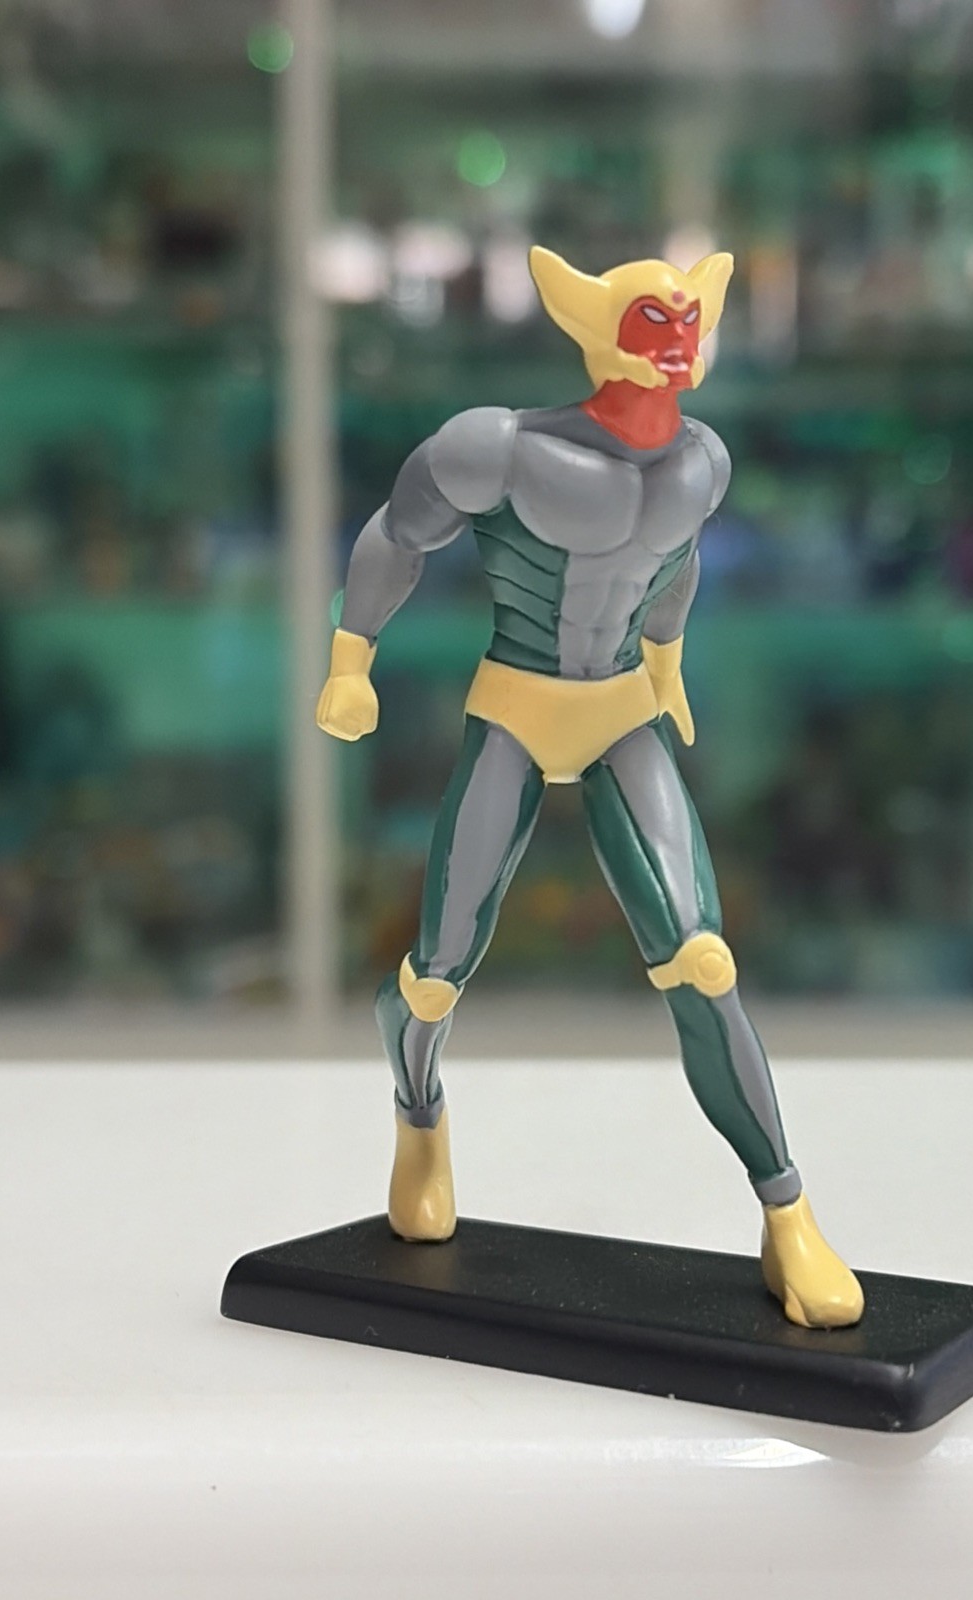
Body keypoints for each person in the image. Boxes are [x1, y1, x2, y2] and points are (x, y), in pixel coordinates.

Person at [316, 246, 863, 1328]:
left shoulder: (701, 462)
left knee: (702, 961)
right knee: (436, 975)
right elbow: (395, 533)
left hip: (621, 709)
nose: (676, 338)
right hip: (517, 704)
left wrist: (666, 658)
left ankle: (788, 1213)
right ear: (596, 325)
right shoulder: (501, 448)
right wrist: (349, 660)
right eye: (654, 317)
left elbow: (674, 559)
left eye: (688, 317)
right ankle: (419, 1116)